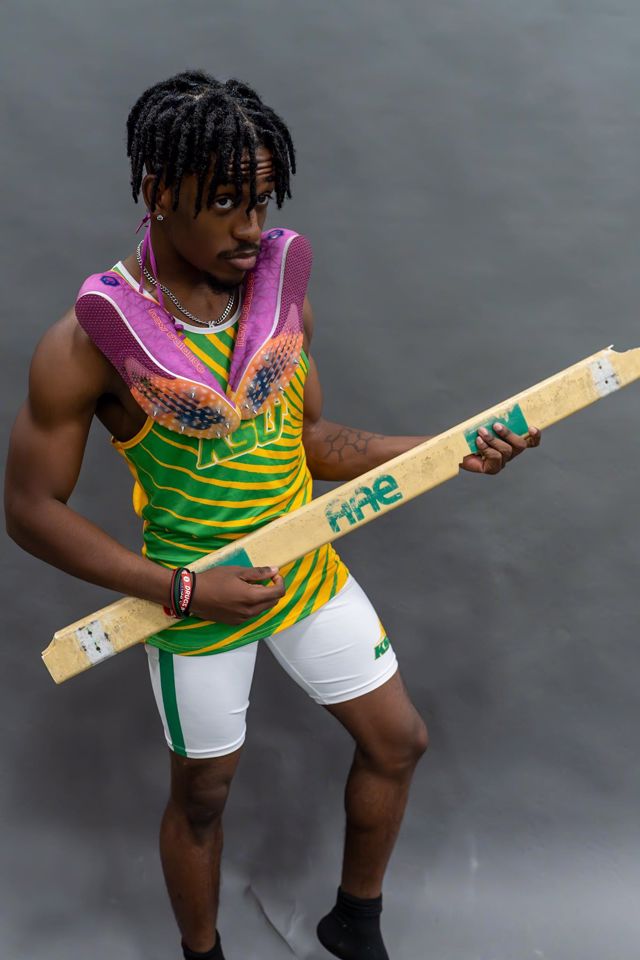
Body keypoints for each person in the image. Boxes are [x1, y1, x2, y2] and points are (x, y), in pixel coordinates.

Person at [4, 71, 541, 960]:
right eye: (224, 203)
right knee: (203, 799)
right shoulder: (82, 344)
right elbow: (28, 510)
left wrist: (455, 448)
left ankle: (354, 926)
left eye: (260, 203)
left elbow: (314, 441)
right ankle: (203, 953)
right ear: (157, 191)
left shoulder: (278, 303)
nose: (251, 229)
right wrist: (181, 589)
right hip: (194, 600)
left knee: (397, 741)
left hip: (306, 572)